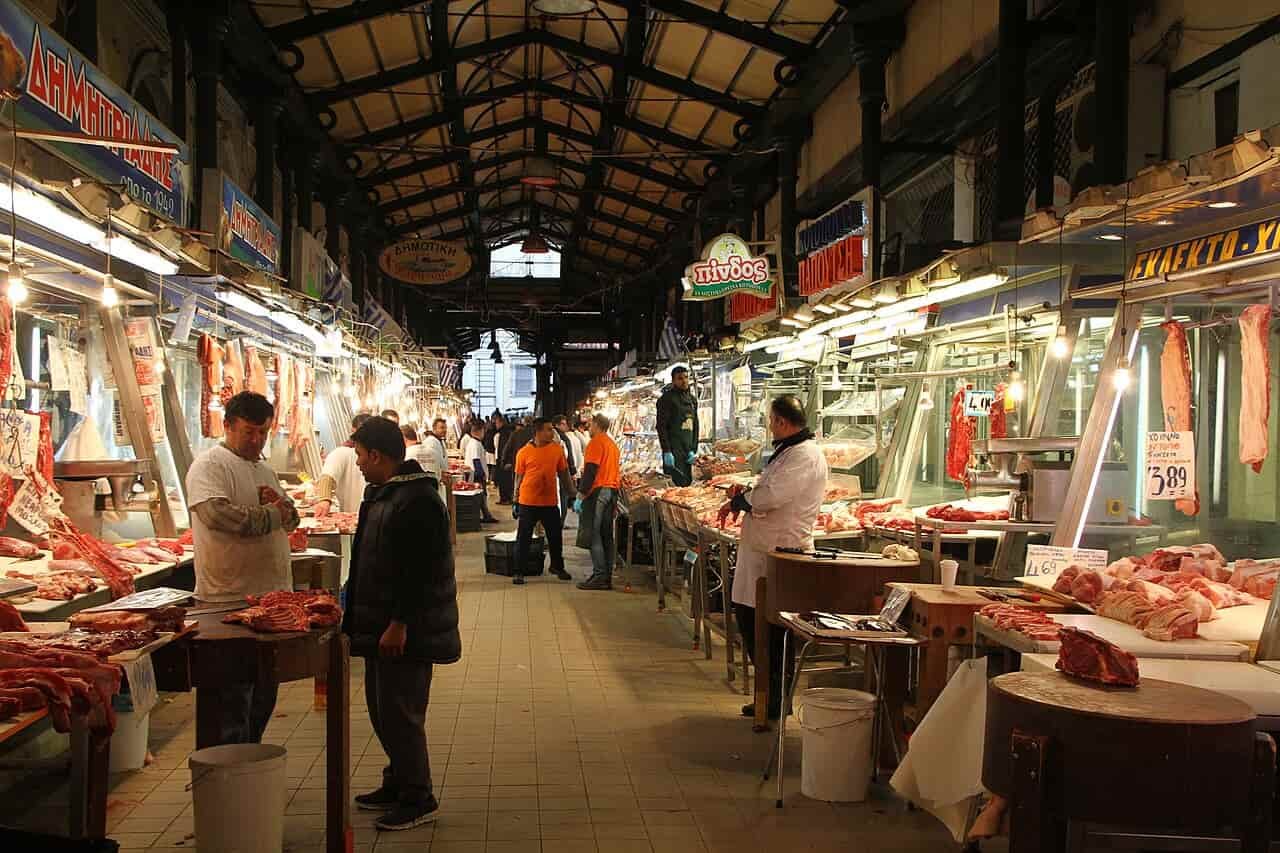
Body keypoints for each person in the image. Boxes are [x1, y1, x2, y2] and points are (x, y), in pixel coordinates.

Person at [342, 417, 459, 831]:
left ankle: (418, 796)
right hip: (379, 624)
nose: (355, 462)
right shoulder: (384, 493)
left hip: (405, 630)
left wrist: (399, 623)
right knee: (382, 709)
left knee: (401, 713)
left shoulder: (418, 500)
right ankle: (398, 782)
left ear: (376, 455)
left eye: (358, 454)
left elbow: (420, 572)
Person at [185, 391, 299, 747]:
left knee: (263, 692)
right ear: (228, 425)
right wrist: (272, 514)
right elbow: (217, 514)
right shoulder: (210, 466)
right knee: (231, 697)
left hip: (270, 599)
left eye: (263, 432)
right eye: (249, 432)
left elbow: (289, 515)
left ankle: (249, 763)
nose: (257, 440)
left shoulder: (263, 468)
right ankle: (226, 773)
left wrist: (284, 510)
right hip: (229, 601)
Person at [721, 395, 827, 722]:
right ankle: (766, 696)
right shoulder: (790, 452)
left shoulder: (805, 455)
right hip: (763, 550)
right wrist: (747, 491)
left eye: (770, 420)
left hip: (781, 552)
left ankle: (777, 701)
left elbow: (771, 496)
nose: (769, 426)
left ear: (781, 421)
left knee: (773, 634)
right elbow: (767, 489)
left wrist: (743, 501)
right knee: (752, 624)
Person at [512, 418, 574, 585]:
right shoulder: (524, 452)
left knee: (555, 537)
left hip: (549, 502)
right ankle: (519, 571)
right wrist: (515, 500)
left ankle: (557, 567)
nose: (551, 433)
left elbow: (564, 474)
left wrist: (572, 494)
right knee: (523, 538)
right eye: (548, 429)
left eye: (552, 429)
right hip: (528, 502)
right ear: (538, 432)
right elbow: (518, 478)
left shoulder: (557, 450)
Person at [574, 413, 621, 590]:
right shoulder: (612, 444)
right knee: (606, 534)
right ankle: (605, 575)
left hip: (598, 491)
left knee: (593, 533)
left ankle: (600, 575)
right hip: (611, 492)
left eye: (591, 424)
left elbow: (591, 471)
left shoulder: (596, 443)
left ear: (597, 425)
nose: (589, 428)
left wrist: (581, 495)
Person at [315, 413, 371, 518]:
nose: (358, 462)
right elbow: (327, 478)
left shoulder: (376, 457)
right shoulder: (342, 453)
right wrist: (324, 500)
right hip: (354, 521)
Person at [656, 365, 699, 486]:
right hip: (674, 452)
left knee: (687, 486)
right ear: (673, 381)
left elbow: (695, 425)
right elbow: (661, 427)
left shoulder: (692, 400)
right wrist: (667, 451)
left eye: (686, 377)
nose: (684, 380)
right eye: (680, 378)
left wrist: (693, 449)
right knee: (674, 490)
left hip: (688, 453)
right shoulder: (666, 400)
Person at [461, 420, 498, 523]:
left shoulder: (475, 443)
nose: (484, 433)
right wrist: (481, 476)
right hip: (476, 475)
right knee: (480, 497)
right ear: (479, 431)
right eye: (483, 431)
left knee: (481, 497)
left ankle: (486, 515)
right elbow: (476, 460)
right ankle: (484, 516)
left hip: (475, 474)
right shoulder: (475, 444)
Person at [498, 418, 535, 513]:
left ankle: (520, 508)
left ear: (524, 423)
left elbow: (507, 448)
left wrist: (504, 462)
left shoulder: (516, 433)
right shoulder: (537, 433)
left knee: (519, 487)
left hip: (519, 465)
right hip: (535, 466)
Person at [401, 424, 443, 493]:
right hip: (435, 497)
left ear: (403, 438)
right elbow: (440, 476)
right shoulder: (434, 452)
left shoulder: (405, 455)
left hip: (413, 499)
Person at [490, 414, 516, 503]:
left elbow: (507, 448)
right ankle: (504, 498)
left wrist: (507, 461)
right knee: (503, 480)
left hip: (504, 460)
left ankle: (506, 499)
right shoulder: (504, 432)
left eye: (496, 423)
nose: (495, 425)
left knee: (505, 480)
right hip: (502, 459)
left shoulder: (505, 433)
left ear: (501, 423)